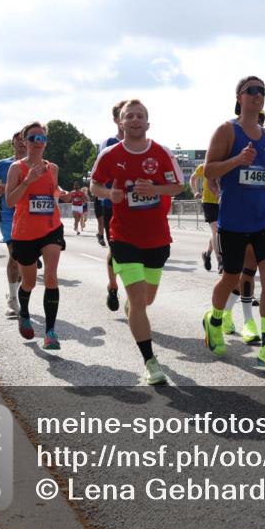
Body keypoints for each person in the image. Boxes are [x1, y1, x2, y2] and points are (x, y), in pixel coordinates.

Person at [92, 99, 184, 384]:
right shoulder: (109, 154)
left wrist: (154, 188)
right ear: (120, 123)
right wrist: (109, 195)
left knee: (146, 300)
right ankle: (151, 362)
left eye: (139, 115)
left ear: (147, 122)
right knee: (137, 300)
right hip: (123, 237)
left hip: (157, 237)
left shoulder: (161, 153)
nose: (134, 119)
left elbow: (178, 186)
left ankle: (134, 311)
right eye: (128, 115)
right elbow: (93, 185)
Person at [202, 76, 265, 369]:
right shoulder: (227, 130)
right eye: (252, 90)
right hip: (233, 220)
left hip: (263, 218)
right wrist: (237, 160)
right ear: (239, 97)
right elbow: (210, 170)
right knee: (231, 277)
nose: (258, 95)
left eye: (262, 91)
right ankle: (214, 320)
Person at [5, 122, 67, 349]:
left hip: (51, 228)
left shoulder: (53, 168)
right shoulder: (16, 168)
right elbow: (10, 201)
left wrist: (64, 194)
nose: (38, 143)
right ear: (24, 140)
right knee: (29, 282)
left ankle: (50, 331)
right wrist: (28, 180)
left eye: (42, 138)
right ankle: (25, 314)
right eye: (33, 138)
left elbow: (53, 193)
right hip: (24, 233)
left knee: (51, 275)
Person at [0, 131, 28, 317]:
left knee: (25, 260)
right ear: (13, 143)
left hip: (30, 216)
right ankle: (13, 300)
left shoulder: (35, 164)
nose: (21, 143)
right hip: (8, 214)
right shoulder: (2, 164)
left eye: (24, 140)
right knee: (15, 255)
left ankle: (15, 291)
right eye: (18, 140)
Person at [93, 102, 125, 310]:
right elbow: (100, 175)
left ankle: (134, 292)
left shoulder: (146, 144)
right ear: (116, 120)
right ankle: (113, 285)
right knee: (116, 250)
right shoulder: (109, 143)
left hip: (137, 207)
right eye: (124, 116)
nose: (130, 120)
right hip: (112, 205)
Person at [190, 161, 221, 272]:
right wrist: (195, 192)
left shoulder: (224, 165)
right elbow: (193, 178)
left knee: (216, 233)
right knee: (216, 231)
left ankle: (207, 254)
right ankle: (220, 261)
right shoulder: (203, 167)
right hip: (208, 202)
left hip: (223, 202)